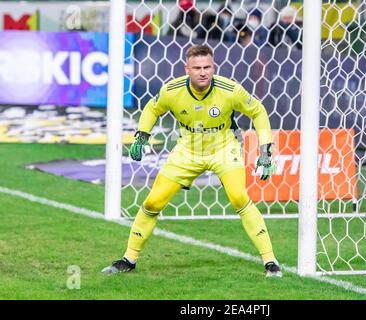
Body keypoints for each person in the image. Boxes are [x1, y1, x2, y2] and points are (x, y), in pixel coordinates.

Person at [101, 44, 282, 278]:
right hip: (187, 150)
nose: (203, 72)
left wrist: (266, 150)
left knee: (239, 197)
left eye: (207, 67)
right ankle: (129, 259)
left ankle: (271, 262)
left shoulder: (230, 90)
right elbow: (151, 109)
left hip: (224, 148)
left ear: (213, 66)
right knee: (153, 203)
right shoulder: (172, 90)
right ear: (187, 69)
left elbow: (258, 111)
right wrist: (141, 135)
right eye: (197, 67)